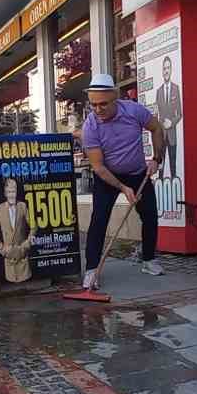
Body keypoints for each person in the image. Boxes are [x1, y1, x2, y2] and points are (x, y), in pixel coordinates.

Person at [81, 72, 166, 291]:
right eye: (93, 105)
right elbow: (98, 166)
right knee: (99, 220)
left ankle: (148, 260)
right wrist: (122, 187)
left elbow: (157, 128)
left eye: (103, 104)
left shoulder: (133, 110)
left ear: (115, 97)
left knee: (149, 215)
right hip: (108, 176)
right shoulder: (90, 126)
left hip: (138, 172)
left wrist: (157, 158)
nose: (98, 110)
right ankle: (92, 270)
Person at [0, 177, 34, 284]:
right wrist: (2, 249)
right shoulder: (0, 209)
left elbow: (34, 226)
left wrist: (27, 244)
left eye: (14, 191)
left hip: (22, 259)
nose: (11, 194)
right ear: (5, 193)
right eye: (9, 192)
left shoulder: (22, 206)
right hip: (9, 261)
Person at [153, 55, 182, 176]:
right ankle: (161, 187)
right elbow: (155, 113)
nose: (166, 71)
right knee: (160, 166)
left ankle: (174, 187)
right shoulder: (158, 91)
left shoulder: (176, 88)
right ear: (162, 70)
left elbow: (180, 113)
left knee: (174, 166)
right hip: (161, 135)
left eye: (168, 68)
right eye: (164, 68)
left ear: (171, 70)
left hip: (172, 135)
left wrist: (172, 122)